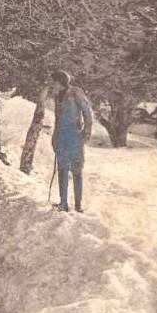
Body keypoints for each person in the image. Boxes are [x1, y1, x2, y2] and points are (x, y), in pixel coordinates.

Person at [50, 70, 93, 213]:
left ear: (60, 82)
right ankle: (63, 204)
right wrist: (55, 137)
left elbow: (87, 113)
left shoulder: (76, 93)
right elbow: (57, 119)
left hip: (75, 136)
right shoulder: (57, 96)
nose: (52, 84)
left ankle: (78, 205)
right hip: (62, 137)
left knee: (76, 170)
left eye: (54, 81)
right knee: (62, 170)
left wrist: (86, 133)